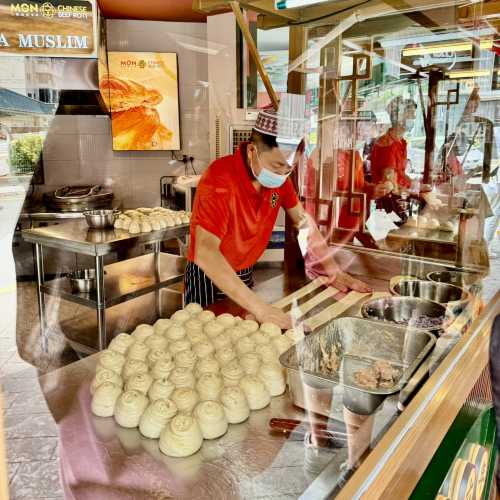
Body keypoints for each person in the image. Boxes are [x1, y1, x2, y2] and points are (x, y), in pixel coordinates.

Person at [184, 108, 371, 329]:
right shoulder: (219, 179)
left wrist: (333, 270)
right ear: (253, 150)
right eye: (277, 165)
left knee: (243, 333)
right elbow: (206, 252)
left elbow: (304, 224)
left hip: (244, 270)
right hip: (209, 273)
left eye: (289, 168)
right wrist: (261, 308)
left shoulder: (280, 181)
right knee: (206, 339)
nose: (283, 173)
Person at [370, 96, 417, 195]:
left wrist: (416, 185)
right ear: (400, 118)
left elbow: (401, 175)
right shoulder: (387, 145)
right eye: (410, 114)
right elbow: (391, 187)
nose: (414, 117)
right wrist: (417, 193)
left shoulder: (401, 142)